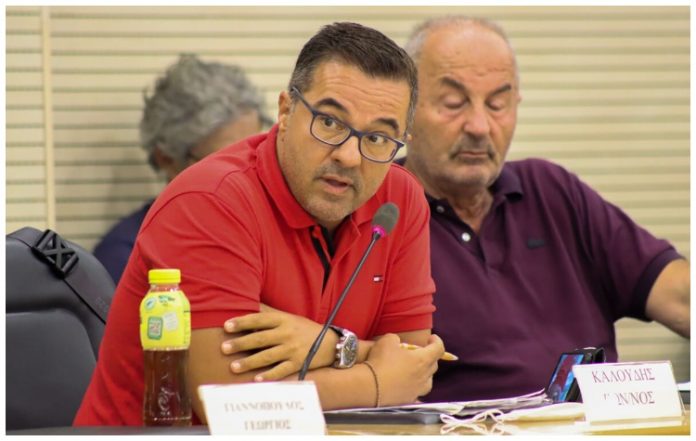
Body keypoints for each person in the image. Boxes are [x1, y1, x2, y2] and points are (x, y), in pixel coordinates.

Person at [75, 22, 445, 426]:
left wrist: (329, 345)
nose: (350, 156)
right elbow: (229, 405)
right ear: (286, 112)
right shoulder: (209, 201)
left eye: (377, 139)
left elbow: (413, 362)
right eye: (330, 123)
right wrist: (375, 378)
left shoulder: (398, 200)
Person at [398, 16, 690, 402]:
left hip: (597, 423)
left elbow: (680, 294)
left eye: (498, 104)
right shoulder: (381, 212)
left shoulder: (551, 191)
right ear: (405, 109)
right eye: (454, 103)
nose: (480, 126)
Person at [93, 54, 271, 284]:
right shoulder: (124, 256)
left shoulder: (272, 235)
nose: (248, 174)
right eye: (226, 161)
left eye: (255, 153)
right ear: (168, 160)